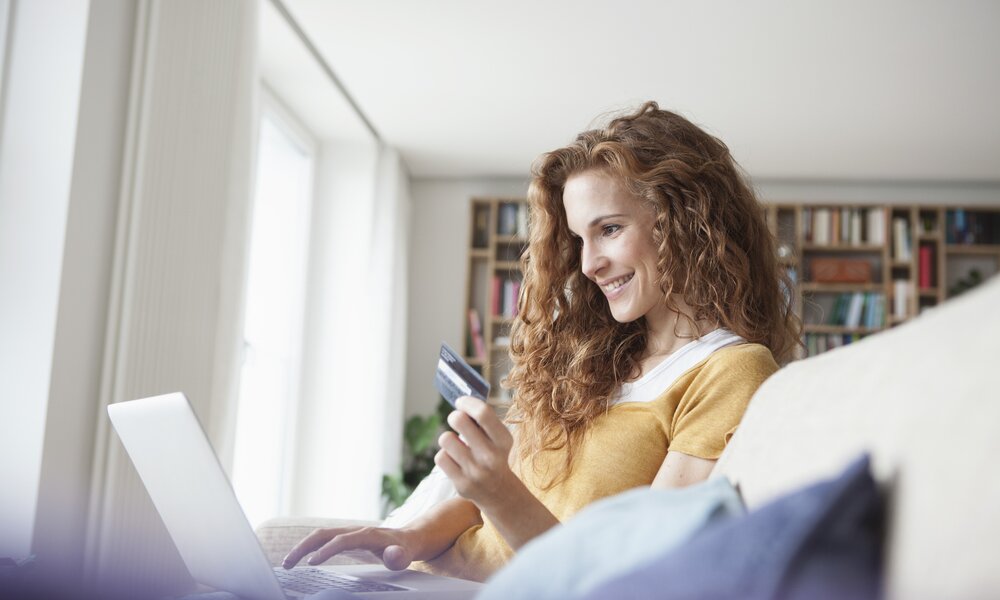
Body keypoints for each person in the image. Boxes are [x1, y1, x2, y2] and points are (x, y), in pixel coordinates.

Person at [282, 101, 800, 582]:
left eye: (611, 229)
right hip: (436, 582)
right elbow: (483, 500)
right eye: (579, 239)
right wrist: (408, 536)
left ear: (685, 223)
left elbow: (637, 582)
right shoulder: (598, 358)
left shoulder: (730, 371)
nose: (588, 264)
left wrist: (500, 493)